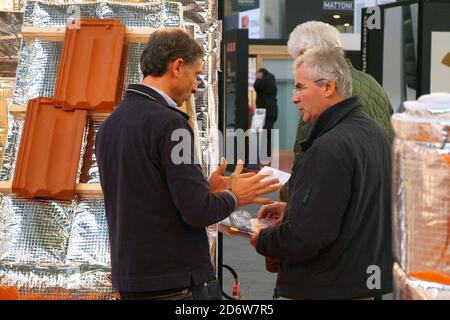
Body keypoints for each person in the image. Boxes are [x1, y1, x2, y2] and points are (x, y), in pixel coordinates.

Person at [95, 29, 280, 300]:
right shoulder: (170, 123)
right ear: (178, 67)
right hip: (176, 282)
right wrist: (234, 196)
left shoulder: (111, 125)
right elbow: (197, 211)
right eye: (196, 75)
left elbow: (150, 196)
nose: (195, 87)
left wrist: (205, 189)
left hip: (133, 279)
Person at [251, 47, 393, 300]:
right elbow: (353, 205)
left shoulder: (330, 146)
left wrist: (263, 238)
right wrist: (294, 209)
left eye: (300, 87)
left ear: (328, 87)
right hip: (357, 281)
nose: (294, 98)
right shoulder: (374, 132)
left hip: (328, 285)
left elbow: (307, 236)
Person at [280, 21, 394, 202]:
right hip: (379, 197)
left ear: (306, 54)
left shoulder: (320, 95)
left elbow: (307, 161)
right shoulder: (371, 82)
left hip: (346, 202)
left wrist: (287, 197)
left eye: (297, 58)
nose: (295, 98)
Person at [253, 68, 278, 158]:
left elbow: (256, 86)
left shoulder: (264, 82)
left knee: (264, 132)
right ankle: (268, 153)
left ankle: (264, 153)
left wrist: (258, 79)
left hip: (265, 112)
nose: (257, 76)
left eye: (258, 74)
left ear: (262, 73)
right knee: (268, 132)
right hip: (271, 112)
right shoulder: (271, 81)